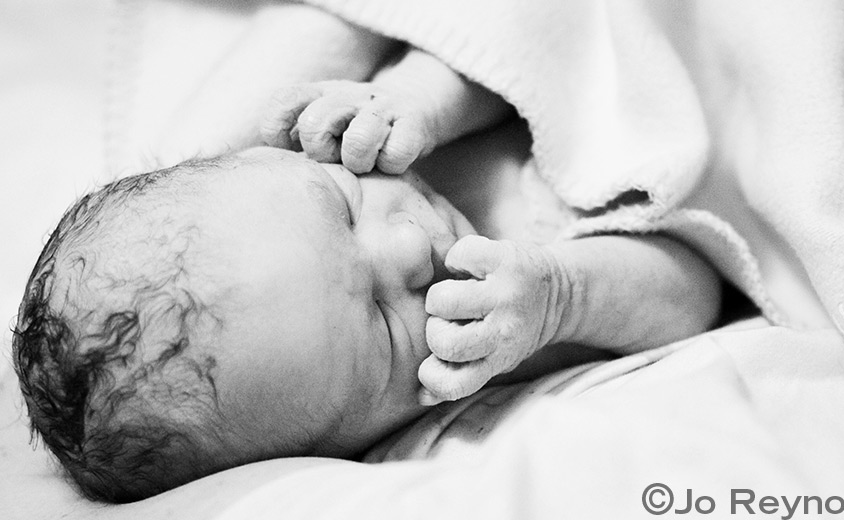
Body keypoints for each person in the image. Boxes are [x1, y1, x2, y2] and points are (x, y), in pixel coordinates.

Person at [11, 8, 723, 504]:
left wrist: (423, 96)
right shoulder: (489, 344)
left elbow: (509, 38)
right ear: (363, 444)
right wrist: (565, 296)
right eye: (382, 320)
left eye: (342, 207)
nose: (409, 246)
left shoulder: (345, 130)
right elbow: (695, 292)